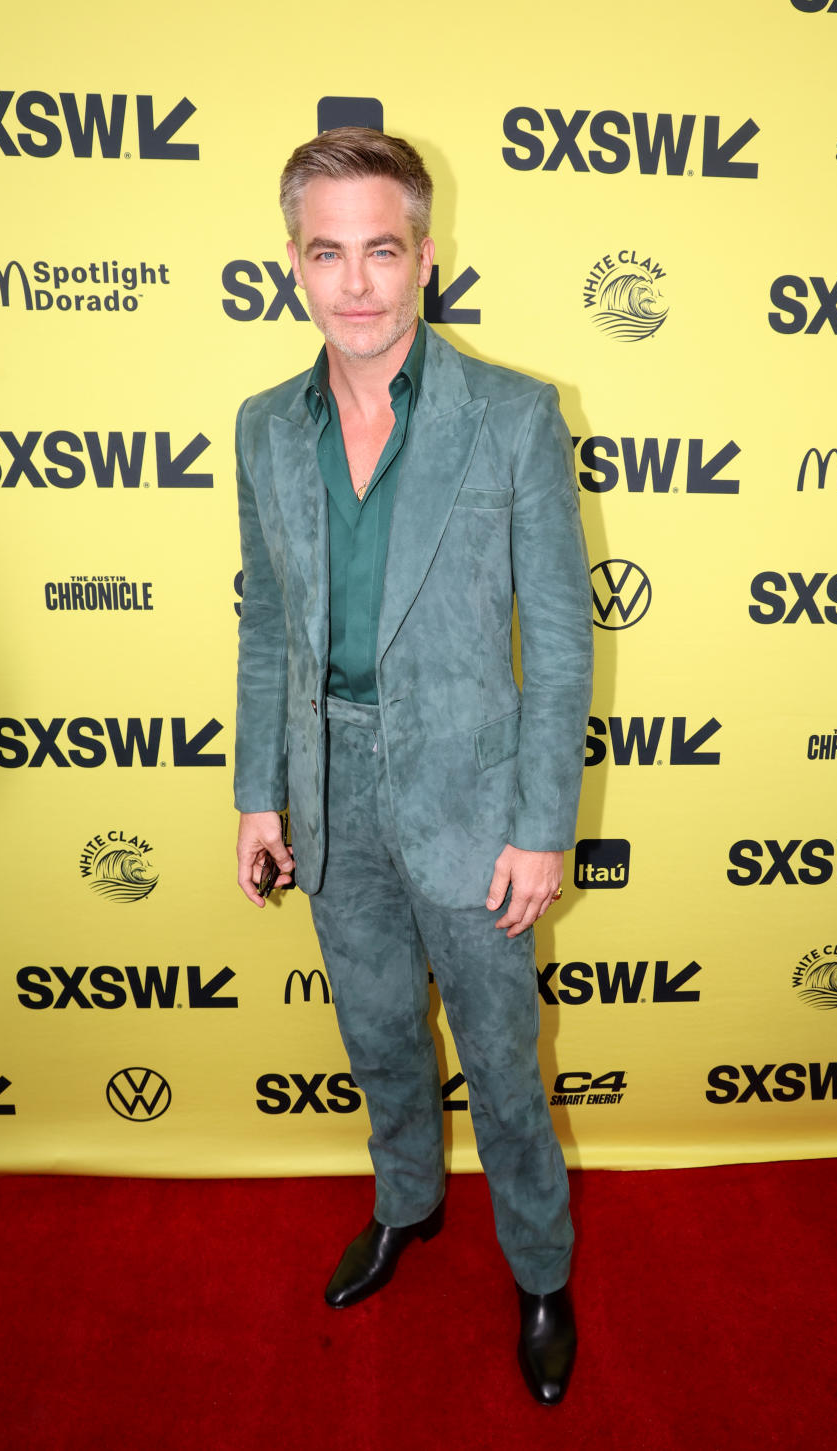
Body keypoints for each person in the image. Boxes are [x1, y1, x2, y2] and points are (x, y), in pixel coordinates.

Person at [234, 127, 593, 1405]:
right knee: (380, 1032)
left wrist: (540, 823)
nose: (356, 283)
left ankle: (541, 1269)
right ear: (294, 267)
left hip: (472, 799)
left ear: (425, 259)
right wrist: (258, 792)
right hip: (331, 787)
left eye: (381, 250)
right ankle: (407, 1205)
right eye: (327, 253)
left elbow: (556, 645)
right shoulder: (264, 428)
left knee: (501, 1059)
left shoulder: (512, 416)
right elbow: (269, 620)